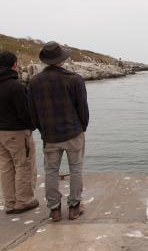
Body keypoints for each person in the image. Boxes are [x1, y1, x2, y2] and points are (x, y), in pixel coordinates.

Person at [28, 42, 89, 222]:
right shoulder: (74, 79)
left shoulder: (34, 82)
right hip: (73, 132)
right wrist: (82, 127)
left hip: (50, 135)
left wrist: (42, 129)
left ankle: (54, 209)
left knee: (51, 172)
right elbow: (83, 109)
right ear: (62, 59)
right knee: (76, 169)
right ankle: (74, 207)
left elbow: (33, 112)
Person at [0, 51, 38, 215]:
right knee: (23, 165)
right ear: (14, 65)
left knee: (5, 167)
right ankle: (24, 201)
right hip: (17, 132)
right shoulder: (16, 87)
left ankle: (10, 202)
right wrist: (32, 126)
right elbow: (25, 112)